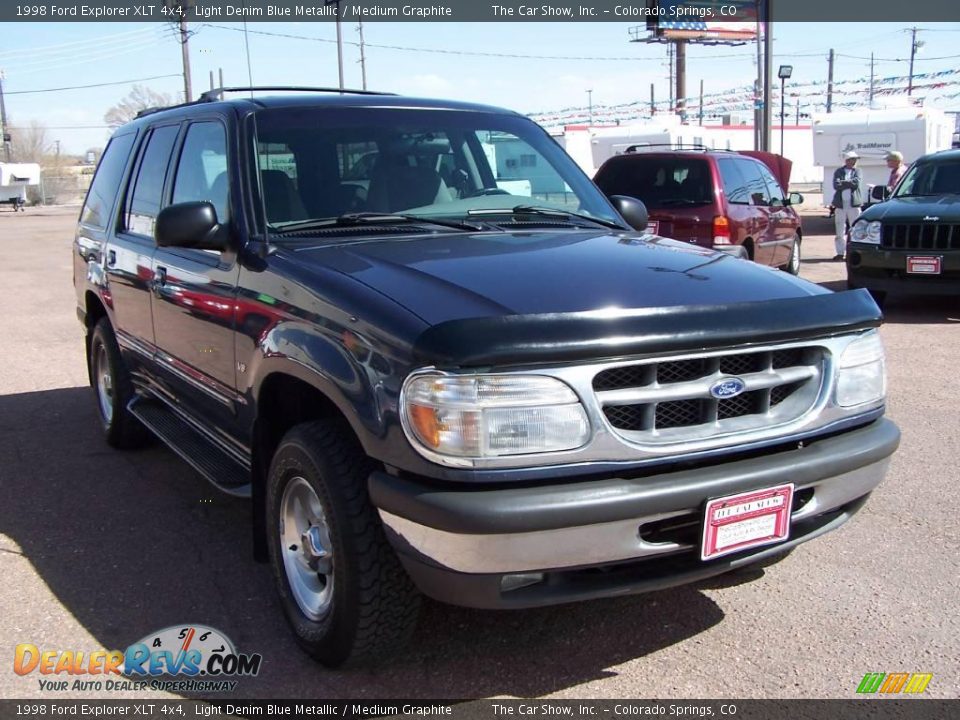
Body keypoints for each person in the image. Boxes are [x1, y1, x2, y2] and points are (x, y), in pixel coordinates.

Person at [831, 150, 863, 260]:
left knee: (855, 228)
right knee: (840, 229)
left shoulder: (858, 171)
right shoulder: (839, 171)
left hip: (854, 205)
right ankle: (840, 253)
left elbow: (856, 184)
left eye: (855, 159)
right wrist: (848, 182)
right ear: (847, 160)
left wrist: (843, 182)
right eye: (852, 159)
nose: (854, 162)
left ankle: (855, 252)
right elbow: (836, 185)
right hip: (840, 205)